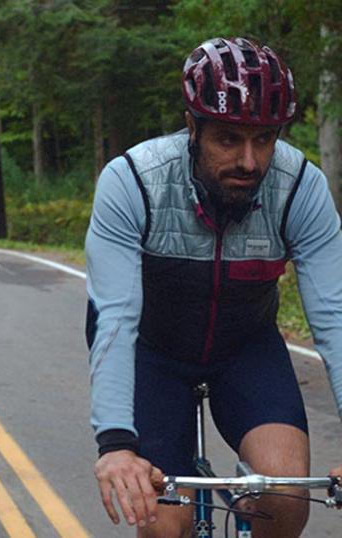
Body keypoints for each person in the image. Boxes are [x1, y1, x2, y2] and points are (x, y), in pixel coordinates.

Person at [86, 37, 342, 538]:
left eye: (265, 139)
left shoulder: (300, 188)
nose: (250, 161)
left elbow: (335, 314)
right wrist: (115, 445)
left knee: (285, 499)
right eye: (228, 138)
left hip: (246, 350)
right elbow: (113, 316)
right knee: (162, 522)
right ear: (192, 127)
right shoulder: (132, 181)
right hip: (152, 356)